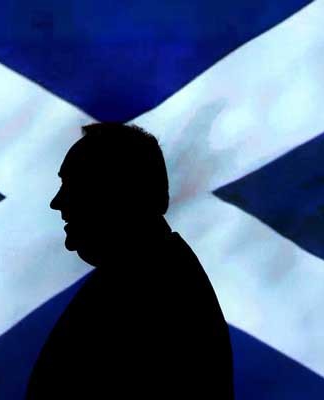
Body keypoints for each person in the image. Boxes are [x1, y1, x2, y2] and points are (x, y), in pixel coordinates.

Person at [25, 123, 234, 399]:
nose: (57, 202)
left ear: (114, 193)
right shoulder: (150, 277)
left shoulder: (150, 292)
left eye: (73, 185)